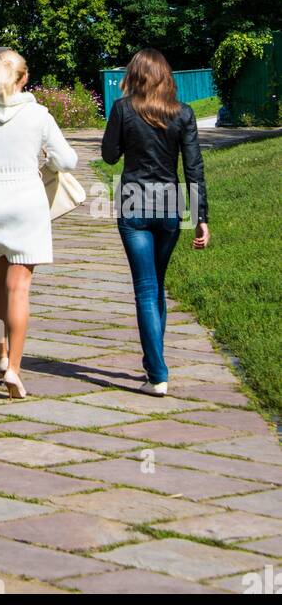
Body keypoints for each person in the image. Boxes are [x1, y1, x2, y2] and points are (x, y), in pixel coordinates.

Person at [0, 49, 78, 399]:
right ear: (24, 78)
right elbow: (68, 159)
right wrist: (46, 158)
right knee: (19, 288)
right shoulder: (39, 115)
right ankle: (14, 367)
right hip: (26, 204)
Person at [102, 48, 209, 397]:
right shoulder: (183, 114)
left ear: (135, 76)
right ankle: (155, 365)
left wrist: (120, 122)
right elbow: (193, 168)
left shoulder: (122, 109)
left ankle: (158, 372)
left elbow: (109, 155)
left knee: (147, 289)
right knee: (156, 285)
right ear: (166, 76)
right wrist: (200, 217)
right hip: (168, 205)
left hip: (133, 201)